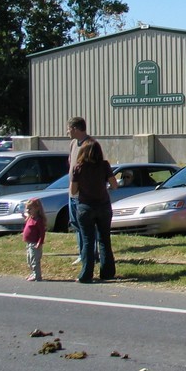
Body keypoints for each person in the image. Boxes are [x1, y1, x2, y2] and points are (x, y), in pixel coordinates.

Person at [70, 139, 118, 283]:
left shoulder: (78, 168)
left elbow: (73, 191)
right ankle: (107, 272)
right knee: (104, 239)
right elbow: (114, 185)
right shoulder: (104, 165)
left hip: (85, 207)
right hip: (103, 206)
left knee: (88, 240)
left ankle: (86, 274)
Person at [66, 116, 94, 265]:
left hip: (84, 194)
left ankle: (90, 254)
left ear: (76, 129)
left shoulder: (90, 144)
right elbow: (71, 162)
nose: (67, 132)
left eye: (69, 128)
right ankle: (81, 253)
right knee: (76, 224)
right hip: (72, 192)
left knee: (86, 225)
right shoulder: (73, 143)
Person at [22, 197, 46, 282]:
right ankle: (33, 273)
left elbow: (42, 233)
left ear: (37, 208)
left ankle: (37, 276)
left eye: (30, 208)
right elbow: (26, 220)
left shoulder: (38, 220)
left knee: (34, 260)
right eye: (27, 208)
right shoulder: (30, 218)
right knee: (29, 260)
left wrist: (40, 242)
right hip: (29, 243)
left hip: (35, 244)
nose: (28, 210)